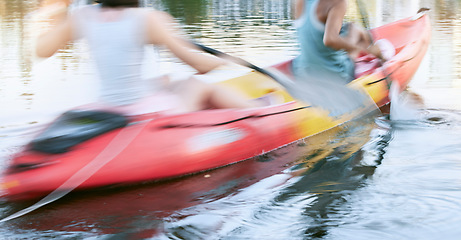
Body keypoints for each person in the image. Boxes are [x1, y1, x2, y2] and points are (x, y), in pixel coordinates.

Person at [35, 0, 260, 116]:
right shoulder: (149, 19)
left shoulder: (82, 17)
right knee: (196, 85)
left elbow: (42, 50)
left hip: (107, 107)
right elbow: (199, 65)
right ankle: (260, 113)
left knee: (172, 83)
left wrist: (55, 9)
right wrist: (227, 61)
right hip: (142, 112)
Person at [292, 0, 385, 83]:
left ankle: (376, 52)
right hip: (335, 76)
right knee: (356, 37)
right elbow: (330, 40)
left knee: (353, 28)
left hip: (301, 72)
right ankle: (379, 55)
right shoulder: (338, 2)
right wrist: (357, 49)